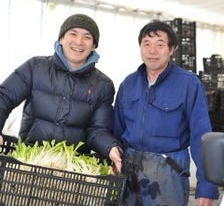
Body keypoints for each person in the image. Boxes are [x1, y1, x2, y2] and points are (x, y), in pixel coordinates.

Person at [113, 20, 219, 205]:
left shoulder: (188, 84)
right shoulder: (128, 84)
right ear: (140, 48)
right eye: (147, 44)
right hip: (129, 173)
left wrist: (207, 187)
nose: (152, 51)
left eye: (160, 44)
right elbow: (116, 131)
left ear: (171, 49)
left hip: (169, 174)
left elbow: (201, 137)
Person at [0, 13, 122, 172]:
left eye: (87, 37)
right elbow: (5, 97)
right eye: (73, 34)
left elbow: (98, 130)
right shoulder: (36, 67)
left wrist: (110, 147)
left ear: (93, 46)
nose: (79, 42)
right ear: (61, 38)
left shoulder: (103, 85)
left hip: (71, 170)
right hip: (29, 160)